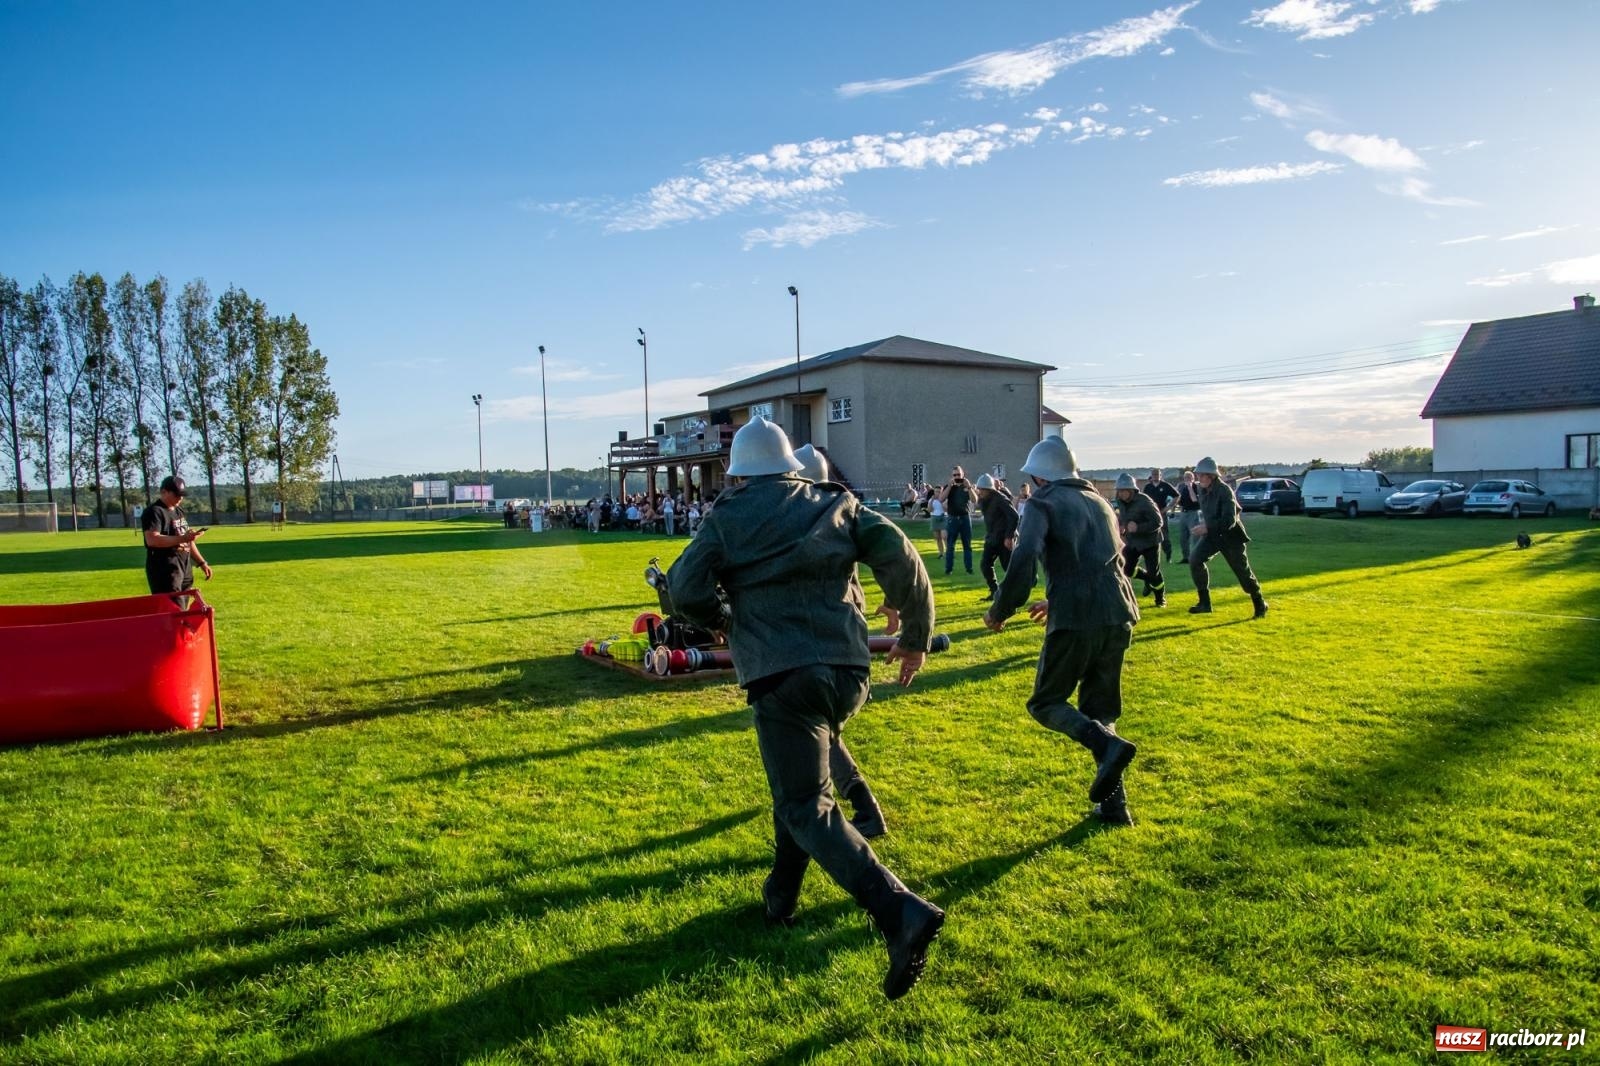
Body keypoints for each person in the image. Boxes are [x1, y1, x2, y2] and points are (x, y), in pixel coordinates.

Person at [669, 417, 944, 1000]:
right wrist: (915, 636)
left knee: (802, 802)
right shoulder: (836, 504)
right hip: (847, 672)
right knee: (801, 786)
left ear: (739, 470)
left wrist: (724, 620)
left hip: (782, 673)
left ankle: (899, 912)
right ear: (791, 467)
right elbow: (901, 555)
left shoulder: (728, 515)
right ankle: (781, 897)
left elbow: (684, 585)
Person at [982, 437, 1140, 827]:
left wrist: (999, 609)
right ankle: (1115, 807)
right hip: (1118, 612)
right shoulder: (1100, 501)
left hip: (1077, 617)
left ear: (1038, 476)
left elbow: (1023, 561)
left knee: (1046, 702)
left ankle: (1106, 746)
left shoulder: (1042, 502)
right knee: (1100, 710)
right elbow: (1110, 559)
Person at [793, 442, 896, 838]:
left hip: (824, 643)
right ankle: (841, 801)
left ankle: (861, 809)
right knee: (821, 732)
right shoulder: (838, 513)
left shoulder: (812, 518)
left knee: (819, 733)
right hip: (843, 642)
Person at [1190, 457, 1269, 619]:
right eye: (1198, 475)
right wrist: (1206, 525)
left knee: (1243, 573)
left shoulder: (1224, 491)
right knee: (1195, 559)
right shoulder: (1201, 489)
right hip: (1212, 535)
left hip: (1231, 537)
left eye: (1202, 475)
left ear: (1211, 476)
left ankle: (1260, 603)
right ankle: (1204, 603)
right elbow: (1209, 512)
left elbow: (1229, 520)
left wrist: (1207, 527)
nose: (1199, 478)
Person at [141, 475, 213, 595]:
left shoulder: (178, 511)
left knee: (182, 606)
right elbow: (152, 539)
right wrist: (184, 538)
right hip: (165, 567)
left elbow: (188, 541)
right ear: (164, 492)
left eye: (182, 495)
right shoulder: (155, 512)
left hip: (183, 564)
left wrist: (201, 562)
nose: (180, 498)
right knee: (171, 607)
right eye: (176, 494)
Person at [1114, 474, 1166, 608]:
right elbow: (1124, 517)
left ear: (1131, 490)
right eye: (1119, 490)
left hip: (1150, 542)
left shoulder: (1145, 501)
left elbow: (1158, 522)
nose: (1121, 493)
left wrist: (1138, 527)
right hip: (1133, 542)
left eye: (1123, 490)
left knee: (1154, 573)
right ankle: (1147, 579)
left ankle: (1160, 599)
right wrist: (1121, 525)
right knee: (1126, 570)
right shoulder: (1119, 501)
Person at [974, 473, 1018, 602]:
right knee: (985, 565)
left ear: (989, 489)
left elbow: (1014, 516)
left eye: (982, 489)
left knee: (1008, 568)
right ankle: (994, 591)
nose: (979, 491)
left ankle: (1014, 593)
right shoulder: (983, 500)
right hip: (992, 538)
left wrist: (1009, 536)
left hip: (1004, 539)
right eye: (979, 489)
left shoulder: (1000, 499)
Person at [940, 467, 975, 576]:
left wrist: (969, 487)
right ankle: (948, 569)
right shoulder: (949, 486)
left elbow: (975, 500)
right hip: (952, 519)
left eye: (958, 475)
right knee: (950, 545)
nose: (957, 477)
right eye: (954, 475)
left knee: (967, 545)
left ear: (963, 475)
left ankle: (969, 569)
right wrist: (950, 486)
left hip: (965, 518)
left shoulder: (967, 486)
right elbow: (941, 499)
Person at [1141, 469, 1179, 563]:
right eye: (1154, 474)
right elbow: (1142, 499)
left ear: (1160, 475)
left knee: (1164, 535)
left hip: (1162, 513)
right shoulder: (1148, 487)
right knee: (1148, 535)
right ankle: (1149, 557)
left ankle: (1168, 556)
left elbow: (1177, 496)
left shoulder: (1165, 486)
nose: (1155, 476)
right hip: (1149, 514)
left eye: (1157, 474)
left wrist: (1168, 507)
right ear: (1151, 475)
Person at [1174, 469, 1202, 564]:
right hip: (1183, 513)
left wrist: (1190, 487)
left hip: (1193, 513)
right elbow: (1178, 500)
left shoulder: (1196, 487)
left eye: (1189, 478)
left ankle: (1196, 557)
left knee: (1194, 536)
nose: (1187, 479)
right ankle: (1185, 557)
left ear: (1193, 479)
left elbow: (1194, 500)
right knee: (1183, 537)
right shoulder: (1182, 487)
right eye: (1186, 478)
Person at [927, 489, 947, 557]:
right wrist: (932, 500)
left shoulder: (945, 499)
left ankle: (949, 552)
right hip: (934, 518)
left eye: (939, 491)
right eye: (936, 491)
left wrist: (940, 501)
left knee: (944, 536)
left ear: (942, 492)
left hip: (943, 518)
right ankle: (941, 553)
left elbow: (946, 509)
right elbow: (929, 510)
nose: (937, 493)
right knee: (937, 537)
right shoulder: (931, 500)